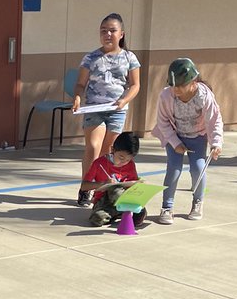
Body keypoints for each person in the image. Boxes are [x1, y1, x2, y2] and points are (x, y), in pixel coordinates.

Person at [72, 13, 141, 208]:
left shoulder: (130, 57)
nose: (107, 34)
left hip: (117, 110)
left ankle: (103, 191)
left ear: (121, 34)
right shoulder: (91, 57)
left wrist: (124, 100)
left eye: (112, 30)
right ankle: (85, 189)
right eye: (104, 31)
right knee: (93, 147)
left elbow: (135, 85)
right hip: (95, 108)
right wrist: (77, 96)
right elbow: (80, 84)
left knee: (107, 153)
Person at [151, 57, 223, 225]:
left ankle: (198, 202)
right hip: (174, 135)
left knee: (198, 169)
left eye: (181, 86)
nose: (176, 89)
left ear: (193, 82)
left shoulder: (204, 96)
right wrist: (175, 143)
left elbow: (214, 120)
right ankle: (167, 207)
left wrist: (216, 143)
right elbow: (162, 122)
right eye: (173, 85)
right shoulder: (166, 96)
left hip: (197, 137)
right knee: (173, 169)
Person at [78, 131, 147, 227]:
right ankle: (119, 212)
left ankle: (133, 211)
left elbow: (133, 183)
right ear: (113, 149)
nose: (123, 162)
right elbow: (84, 186)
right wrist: (103, 183)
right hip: (103, 200)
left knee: (118, 190)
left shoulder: (130, 165)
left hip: (124, 198)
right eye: (121, 157)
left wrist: (136, 184)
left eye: (128, 160)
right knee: (97, 219)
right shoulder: (99, 163)